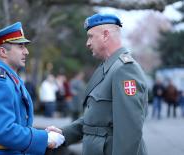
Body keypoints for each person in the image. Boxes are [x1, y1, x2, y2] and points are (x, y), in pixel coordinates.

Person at [47, 13, 148, 155]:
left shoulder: (125, 69)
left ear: (106, 35)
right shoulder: (107, 68)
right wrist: (63, 134)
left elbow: (129, 131)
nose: (87, 43)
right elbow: (95, 119)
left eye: (90, 36)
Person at [0, 22, 64, 155]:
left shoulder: (6, 78)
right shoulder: (0, 83)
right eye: (20, 47)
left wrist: (42, 134)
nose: (26, 52)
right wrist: (45, 138)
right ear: (3, 51)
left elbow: (17, 123)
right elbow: (5, 131)